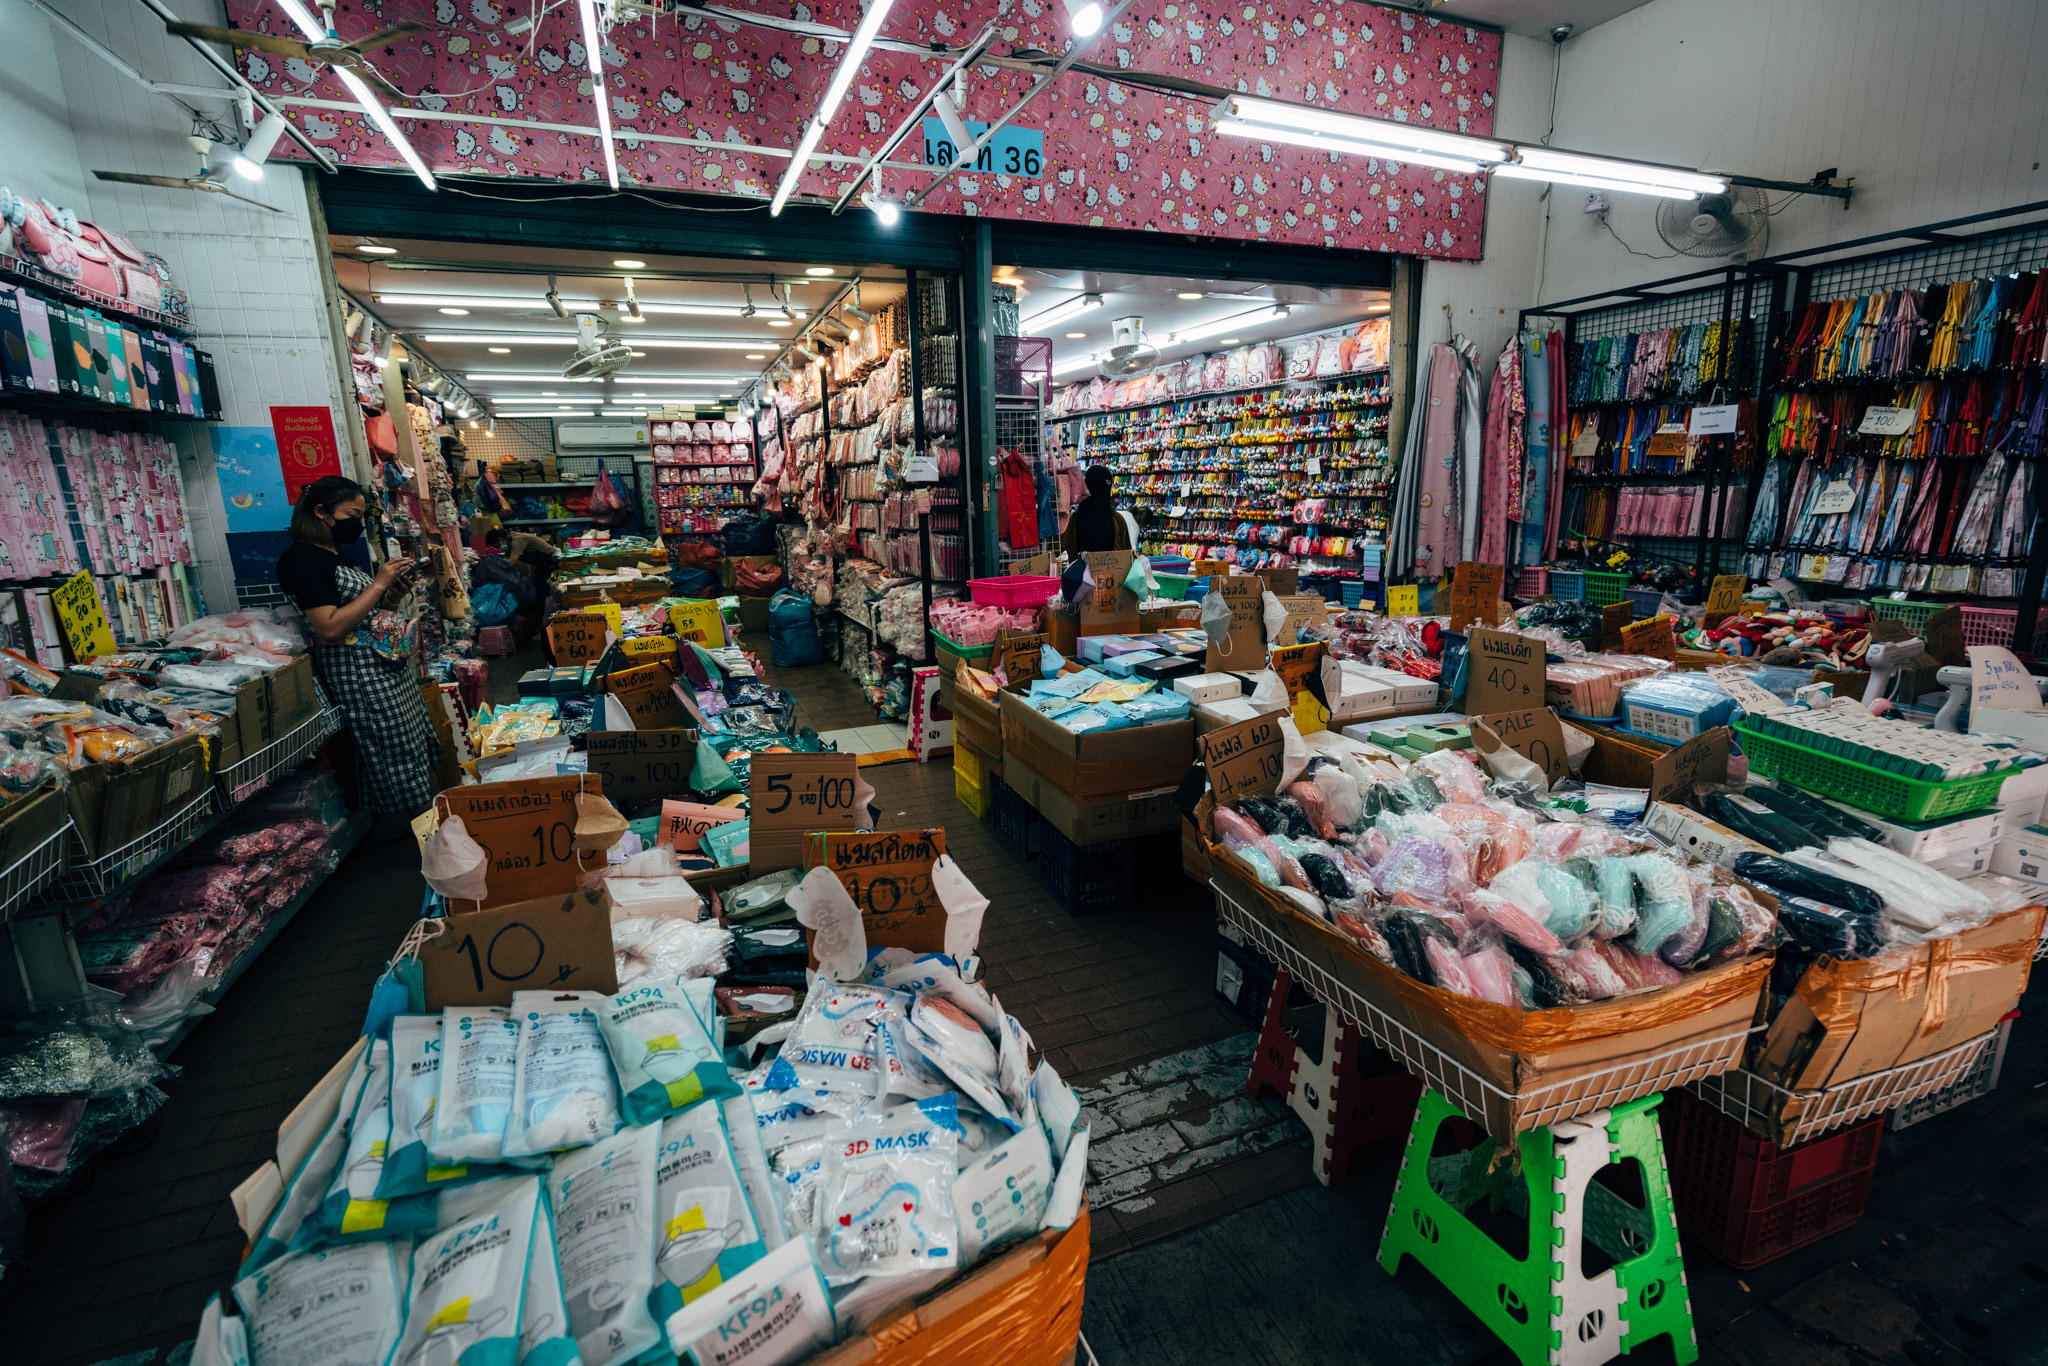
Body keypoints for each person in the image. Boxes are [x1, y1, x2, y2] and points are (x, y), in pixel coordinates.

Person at [275, 475, 441, 831]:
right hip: (359, 677)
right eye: (352, 515)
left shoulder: (339, 556)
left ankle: (431, 832)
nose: (359, 523)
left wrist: (392, 596)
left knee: (412, 749)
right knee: (393, 755)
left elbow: (366, 616)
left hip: (386, 673)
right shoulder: (300, 560)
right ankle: (425, 838)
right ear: (322, 512)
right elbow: (329, 627)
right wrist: (378, 583)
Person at [1060, 465, 1131, 554]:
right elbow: (1127, 554)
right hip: (1112, 563)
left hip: (1079, 563)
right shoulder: (1118, 520)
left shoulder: (1070, 521)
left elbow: (1057, 552)